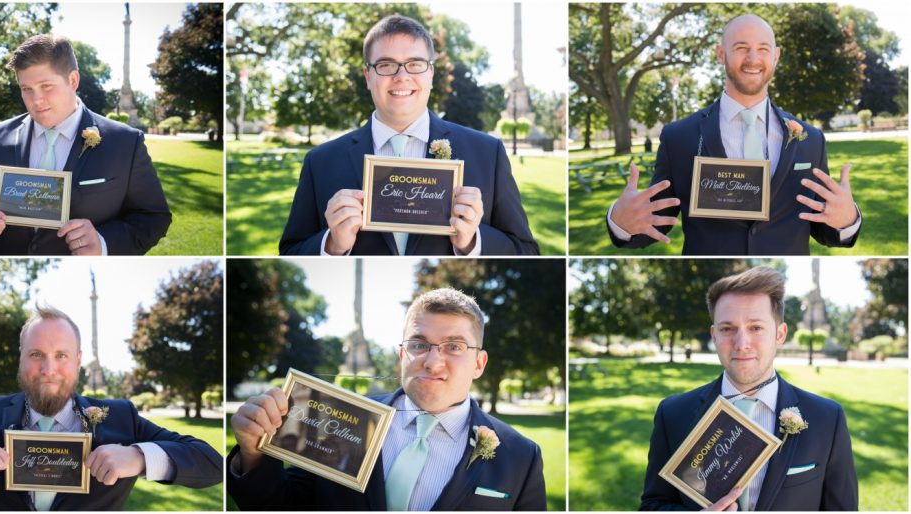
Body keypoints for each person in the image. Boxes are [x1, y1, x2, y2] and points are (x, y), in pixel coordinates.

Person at [228, 288, 547, 510]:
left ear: (479, 363)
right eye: (419, 344)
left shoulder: (521, 456)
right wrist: (253, 455)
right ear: (401, 355)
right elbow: (282, 506)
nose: (433, 362)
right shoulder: (339, 417)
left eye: (454, 346)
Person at [0, 306, 222, 510]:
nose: (48, 370)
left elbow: (211, 463)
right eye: (36, 355)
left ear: (78, 361)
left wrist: (138, 457)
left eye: (61, 355)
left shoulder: (121, 416)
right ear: (20, 358)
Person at [278, 15, 538, 256]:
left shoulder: (487, 154)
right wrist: (332, 245)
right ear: (368, 76)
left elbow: (526, 251)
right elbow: (290, 251)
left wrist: (472, 241)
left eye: (415, 64)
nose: (401, 77)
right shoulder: (321, 162)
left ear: (431, 74)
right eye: (386, 64)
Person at [607, 14, 861, 255]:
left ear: (776, 56)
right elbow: (656, 221)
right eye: (741, 47)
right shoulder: (678, 137)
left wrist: (847, 219)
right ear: (721, 53)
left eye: (763, 49)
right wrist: (620, 221)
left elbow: (822, 224)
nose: (753, 58)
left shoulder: (811, 140)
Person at [640, 267, 857, 510]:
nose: (741, 344)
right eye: (727, 329)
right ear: (714, 335)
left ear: (780, 334)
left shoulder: (827, 419)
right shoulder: (673, 414)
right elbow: (654, 503)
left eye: (755, 327)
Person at [0, 34, 172, 255]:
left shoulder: (125, 142)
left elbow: (154, 216)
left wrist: (104, 243)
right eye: (26, 89)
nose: (36, 100)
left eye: (46, 86)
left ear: (73, 80)